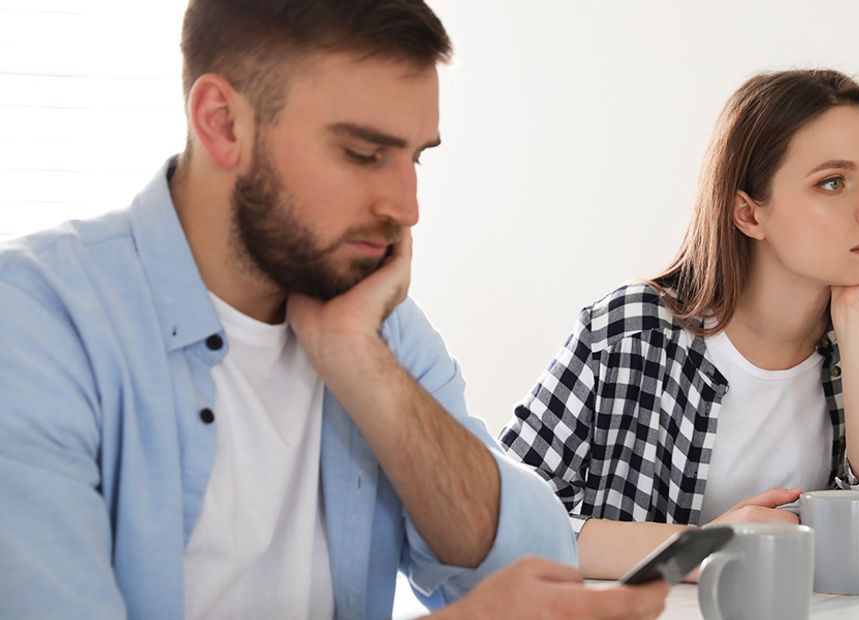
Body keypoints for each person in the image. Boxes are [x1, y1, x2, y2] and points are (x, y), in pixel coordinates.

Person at [0, 1, 667, 618]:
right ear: (222, 123)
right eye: (362, 154)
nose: (407, 210)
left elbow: (535, 564)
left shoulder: (373, 321)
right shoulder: (36, 320)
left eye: (414, 159)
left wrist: (356, 358)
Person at [500, 69, 859, 579]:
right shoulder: (629, 333)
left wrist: (856, 319)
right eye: (832, 183)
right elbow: (500, 523)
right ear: (748, 214)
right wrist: (709, 549)